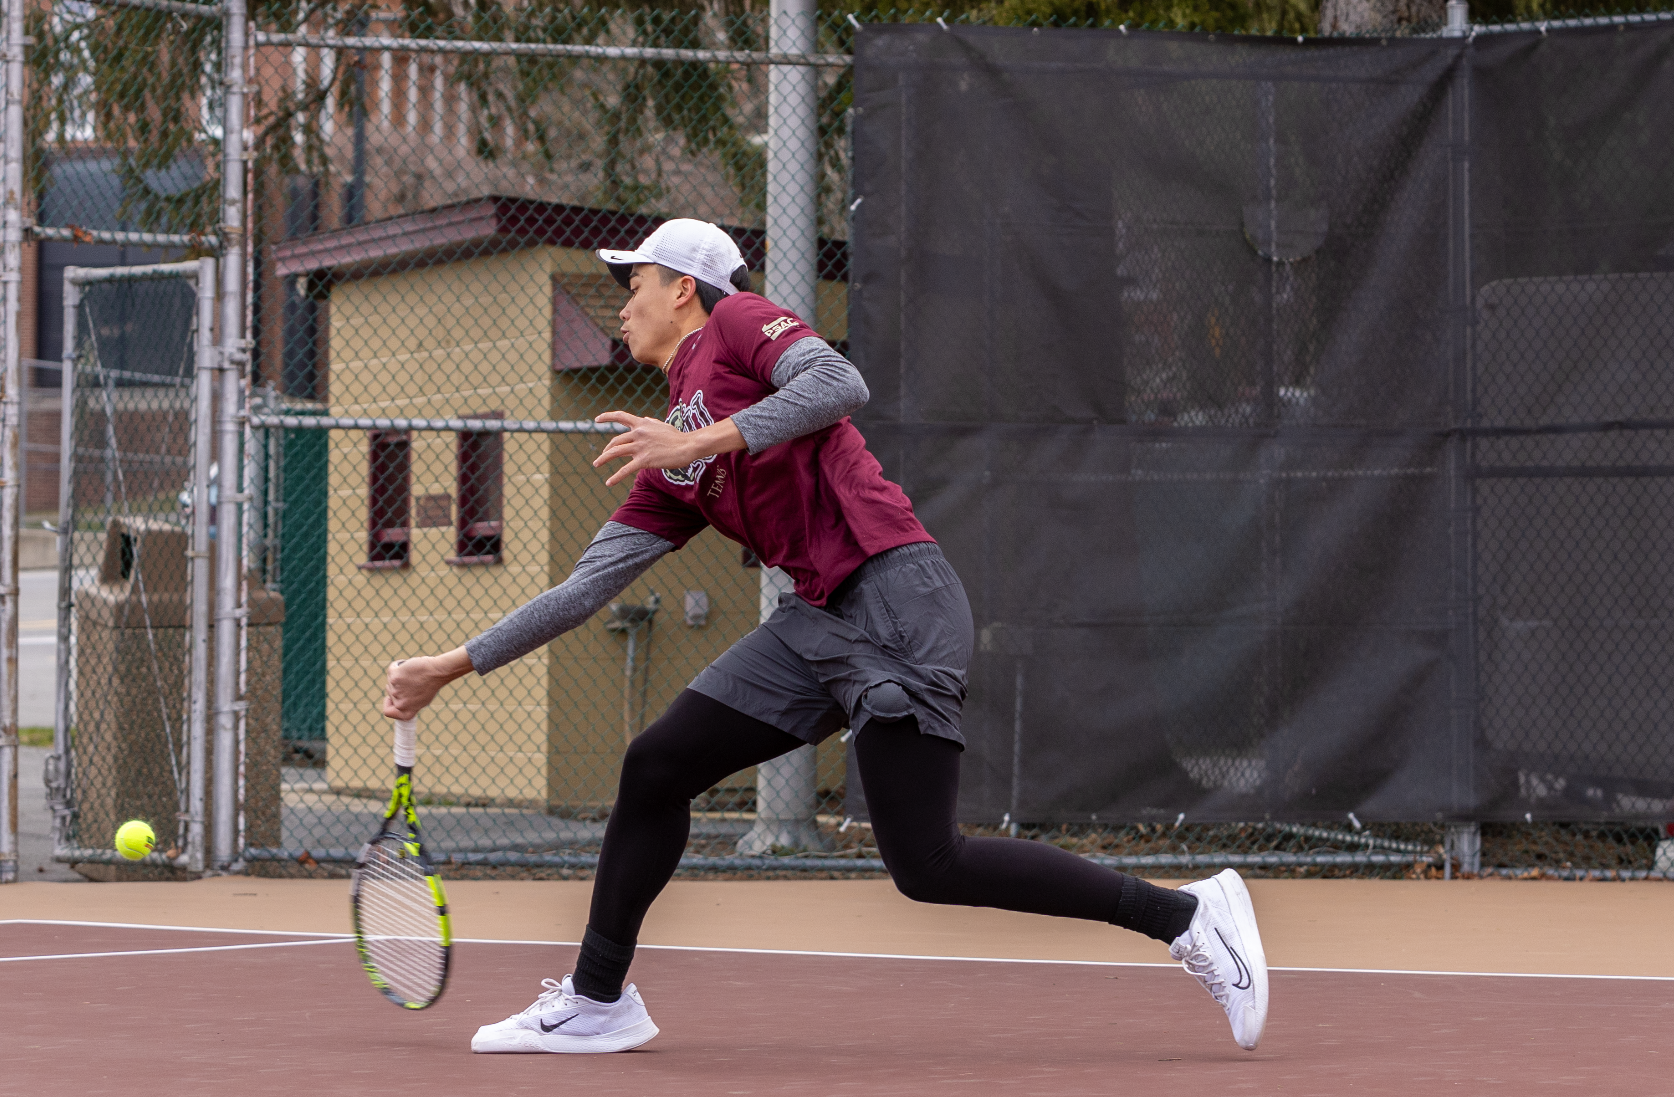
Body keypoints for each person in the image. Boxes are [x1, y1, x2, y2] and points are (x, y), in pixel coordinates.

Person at [379, 218, 1269, 1056]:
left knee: (927, 863)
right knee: (656, 764)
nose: (623, 300)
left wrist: (710, 440)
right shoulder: (668, 452)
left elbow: (839, 383)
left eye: (636, 280)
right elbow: (584, 589)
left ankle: (1187, 918)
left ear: (684, 288)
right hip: (816, 622)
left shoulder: (734, 323)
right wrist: (450, 666)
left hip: (896, 597)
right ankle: (599, 999)